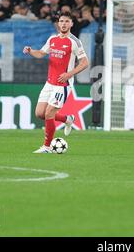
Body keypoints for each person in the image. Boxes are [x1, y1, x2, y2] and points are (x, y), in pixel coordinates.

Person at [22, 12, 89, 154]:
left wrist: (69, 74)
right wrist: (30, 51)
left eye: (67, 21)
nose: (64, 24)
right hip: (49, 83)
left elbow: (85, 62)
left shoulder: (74, 42)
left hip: (62, 85)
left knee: (49, 113)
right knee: (40, 113)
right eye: (61, 21)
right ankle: (67, 119)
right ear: (58, 24)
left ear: (71, 24)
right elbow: (41, 53)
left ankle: (47, 147)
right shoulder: (52, 39)